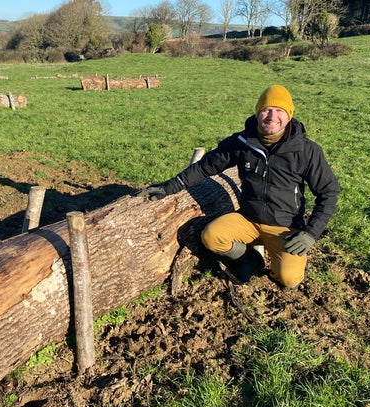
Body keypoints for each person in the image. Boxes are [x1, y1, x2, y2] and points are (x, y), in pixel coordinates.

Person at [139, 85, 340, 288]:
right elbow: (205, 167)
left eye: (279, 111)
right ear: (258, 112)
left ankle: (282, 265)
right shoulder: (242, 142)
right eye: (266, 110)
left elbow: (329, 192)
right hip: (248, 219)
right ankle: (250, 260)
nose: (272, 117)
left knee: (289, 279)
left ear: (289, 115)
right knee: (212, 236)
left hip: (284, 226)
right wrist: (169, 187)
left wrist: (311, 233)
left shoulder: (306, 150)